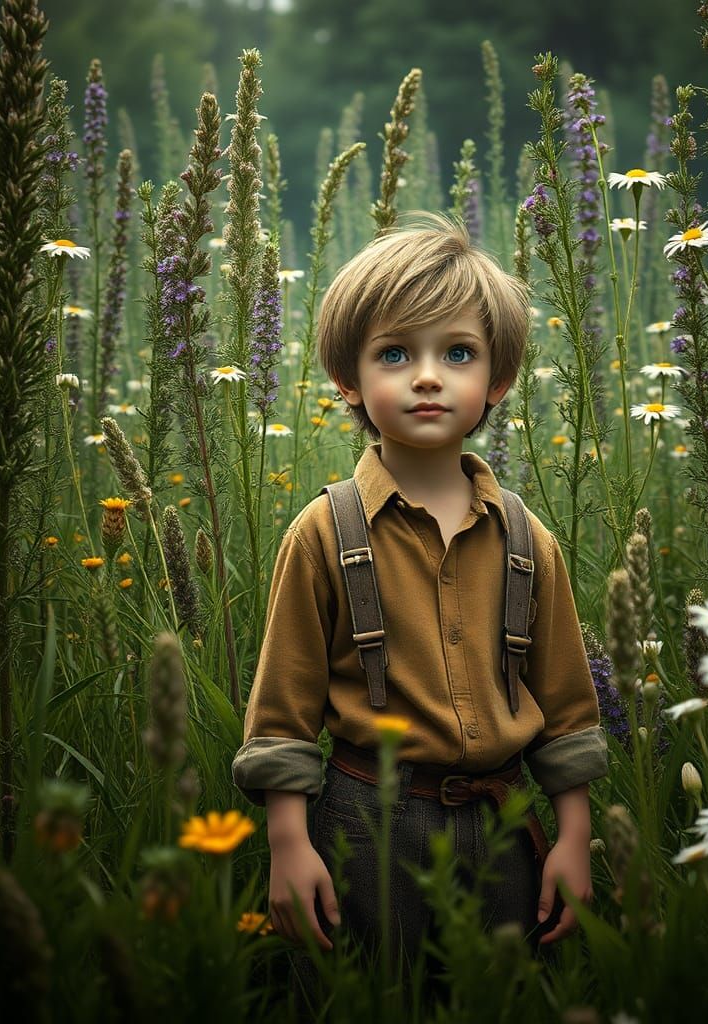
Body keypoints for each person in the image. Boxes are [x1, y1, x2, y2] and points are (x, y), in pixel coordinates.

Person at [231, 211, 608, 1015]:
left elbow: (569, 712)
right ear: (349, 380)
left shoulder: (526, 539)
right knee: (366, 999)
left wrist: (573, 838)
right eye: (395, 353)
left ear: (497, 381)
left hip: (504, 823)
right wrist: (288, 844)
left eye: (458, 353)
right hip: (366, 823)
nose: (428, 377)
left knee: (502, 1001)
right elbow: (282, 714)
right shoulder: (322, 533)